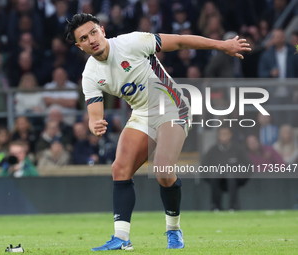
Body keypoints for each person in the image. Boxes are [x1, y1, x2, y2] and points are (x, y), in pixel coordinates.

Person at [65, 13, 250, 251]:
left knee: (162, 169)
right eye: (84, 38)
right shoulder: (90, 75)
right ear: (79, 46)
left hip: (172, 106)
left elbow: (181, 41)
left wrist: (221, 45)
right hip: (142, 114)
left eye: (93, 32)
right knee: (120, 168)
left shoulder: (132, 42)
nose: (91, 39)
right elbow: (94, 116)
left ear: (102, 30)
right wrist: (95, 125)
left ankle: (173, 230)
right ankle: (122, 238)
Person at [201, 126, 252, 211]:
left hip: (234, 179)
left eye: (226, 134)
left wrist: (241, 178)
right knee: (216, 174)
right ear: (218, 136)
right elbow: (204, 168)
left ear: (231, 135)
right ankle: (215, 207)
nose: (224, 137)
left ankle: (233, 207)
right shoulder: (212, 151)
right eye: (221, 134)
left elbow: (248, 166)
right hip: (217, 180)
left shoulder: (238, 149)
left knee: (231, 175)